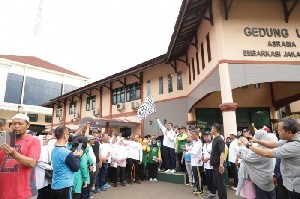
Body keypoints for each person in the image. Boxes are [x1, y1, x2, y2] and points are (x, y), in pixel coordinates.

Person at [242, 117, 300, 199]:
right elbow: (274, 144)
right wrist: (257, 141)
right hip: (287, 181)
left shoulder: (294, 145)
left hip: (295, 186)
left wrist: (247, 145)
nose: (278, 132)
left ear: (289, 132)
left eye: (280, 130)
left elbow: (266, 153)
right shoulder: (290, 139)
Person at [0, 114, 41, 199]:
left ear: (28, 125)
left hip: (24, 194)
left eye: (20, 124)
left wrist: (14, 154)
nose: (16, 126)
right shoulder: (6, 140)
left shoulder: (33, 140)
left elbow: (31, 163)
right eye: (14, 124)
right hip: (4, 193)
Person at [239, 130, 276, 199]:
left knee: (263, 195)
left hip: (261, 179)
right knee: (272, 195)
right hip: (270, 176)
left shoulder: (260, 149)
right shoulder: (270, 146)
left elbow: (247, 158)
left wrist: (241, 147)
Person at [51, 126, 82, 199]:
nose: (69, 136)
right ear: (64, 135)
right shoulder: (66, 152)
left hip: (55, 184)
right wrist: (78, 156)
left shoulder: (54, 149)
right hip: (65, 185)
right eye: (68, 134)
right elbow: (76, 168)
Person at [183, 130, 203, 196]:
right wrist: (186, 148)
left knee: (198, 177)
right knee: (196, 177)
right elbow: (191, 148)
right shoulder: (195, 142)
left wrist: (187, 150)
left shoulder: (199, 143)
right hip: (194, 162)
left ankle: (200, 190)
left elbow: (195, 153)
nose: (191, 136)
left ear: (196, 135)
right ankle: (197, 188)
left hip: (197, 163)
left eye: (192, 135)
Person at [210, 123, 227, 199]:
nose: (211, 130)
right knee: (217, 184)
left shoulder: (220, 140)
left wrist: (221, 165)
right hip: (215, 165)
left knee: (221, 185)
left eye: (211, 128)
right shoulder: (215, 139)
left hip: (219, 166)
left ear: (215, 129)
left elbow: (222, 153)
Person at [203, 131, 216, 198]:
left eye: (207, 136)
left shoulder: (213, 144)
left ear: (211, 136)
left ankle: (213, 192)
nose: (206, 137)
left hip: (211, 165)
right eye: (205, 136)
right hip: (206, 165)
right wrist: (203, 157)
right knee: (208, 179)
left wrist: (208, 159)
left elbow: (215, 155)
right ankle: (210, 191)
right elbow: (204, 153)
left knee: (212, 179)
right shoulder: (205, 144)